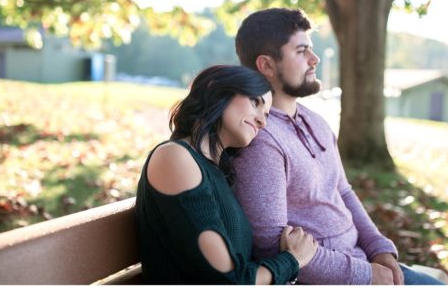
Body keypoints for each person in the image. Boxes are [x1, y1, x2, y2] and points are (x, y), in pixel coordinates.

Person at [232, 8, 444, 285]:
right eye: (301, 51)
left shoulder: (316, 122)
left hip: (360, 261)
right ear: (267, 66)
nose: (314, 58)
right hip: (325, 279)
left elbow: (343, 191)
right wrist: (366, 275)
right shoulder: (261, 139)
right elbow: (270, 244)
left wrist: (379, 249)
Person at [134, 65, 318, 284]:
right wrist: (292, 260)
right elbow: (231, 281)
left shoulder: (216, 172)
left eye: (267, 113)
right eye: (255, 102)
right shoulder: (175, 157)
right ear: (216, 90)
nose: (263, 121)